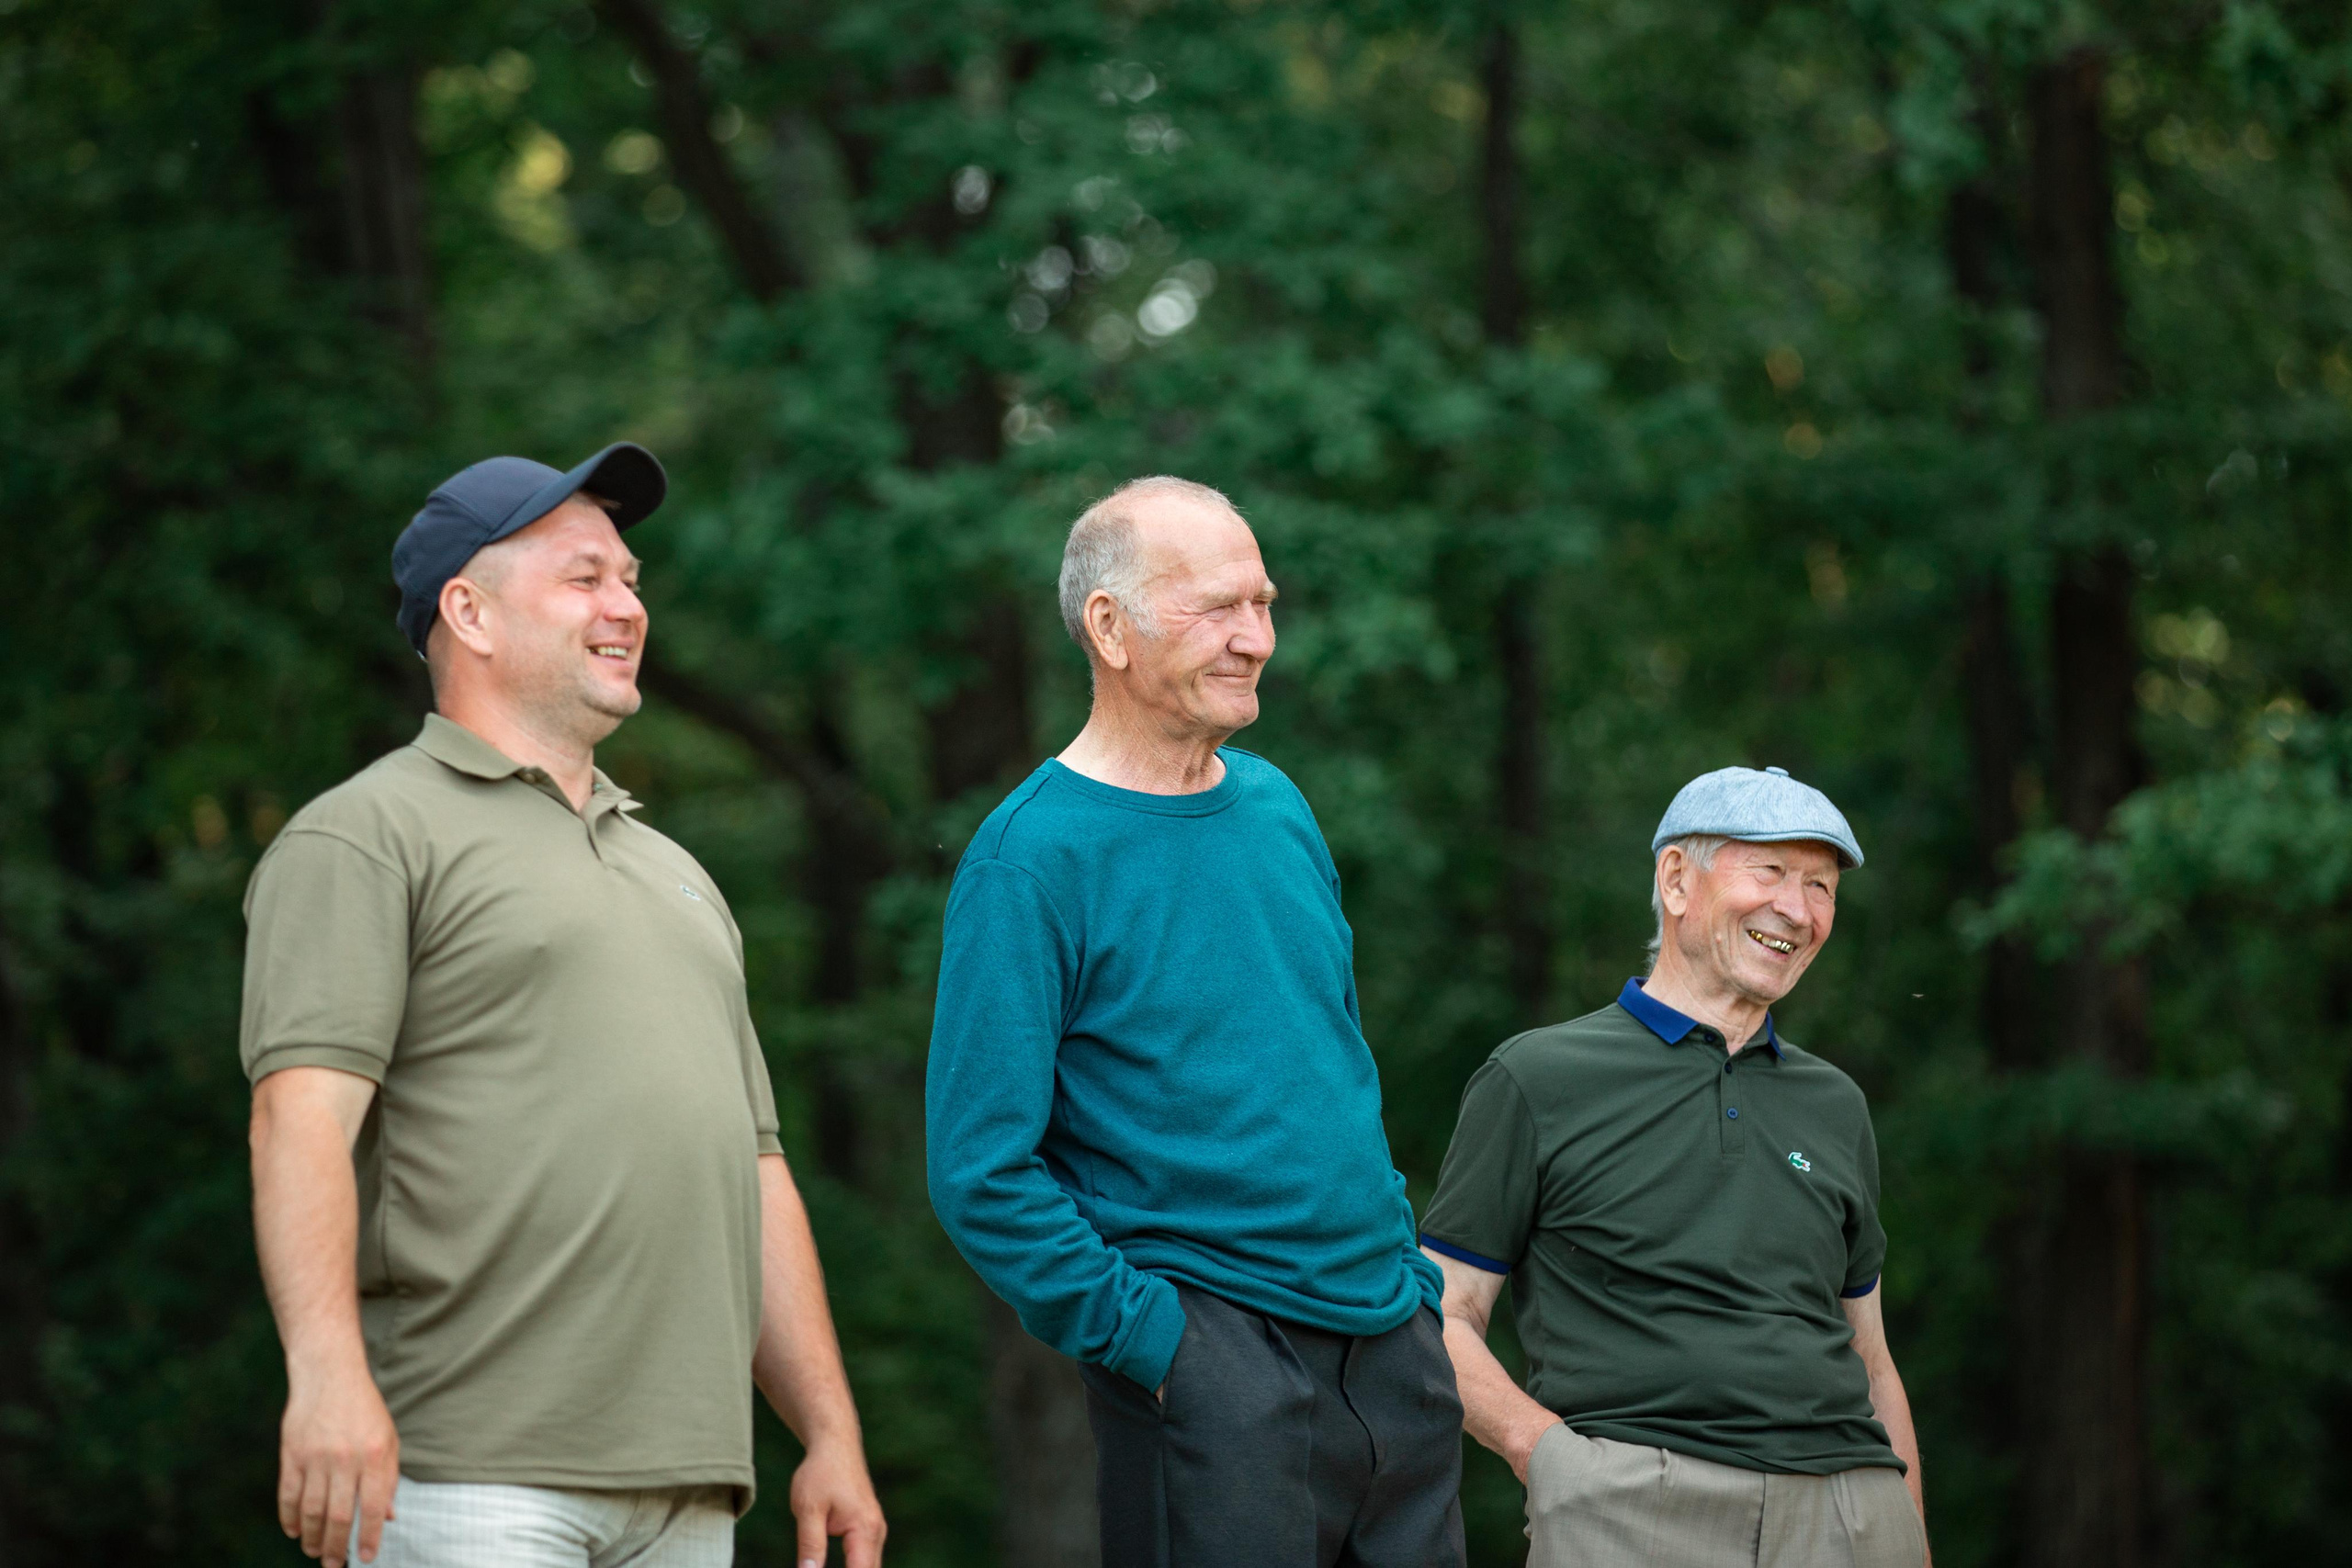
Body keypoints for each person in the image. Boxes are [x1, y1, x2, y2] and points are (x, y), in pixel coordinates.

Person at [240, 446, 886, 1568]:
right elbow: (298, 1121)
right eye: (585, 578)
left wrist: (827, 1433)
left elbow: (754, 1167)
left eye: (631, 580)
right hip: (464, 1473)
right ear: (470, 613)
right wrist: (328, 1377)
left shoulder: (676, 873)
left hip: (689, 1486)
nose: (627, 607)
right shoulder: (367, 834)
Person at [925, 477, 1464, 1568]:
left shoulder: (1276, 805)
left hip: (1392, 1353)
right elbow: (980, 1170)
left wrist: (1413, 1296)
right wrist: (1155, 1342)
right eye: (1218, 607)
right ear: (1109, 629)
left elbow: (1333, 1060)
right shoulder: (1029, 859)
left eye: (1263, 604)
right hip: (1211, 1369)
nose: (1255, 638)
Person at [1419, 766, 1930, 1568]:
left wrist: (1907, 1533)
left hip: (1848, 1513)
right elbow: (1438, 1310)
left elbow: (1869, 1354)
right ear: (1676, 879)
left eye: (1821, 886)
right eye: (1770, 872)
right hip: (1632, 1509)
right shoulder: (1537, 1077)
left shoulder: (1834, 1103)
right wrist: (1546, 1456)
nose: (1796, 910)